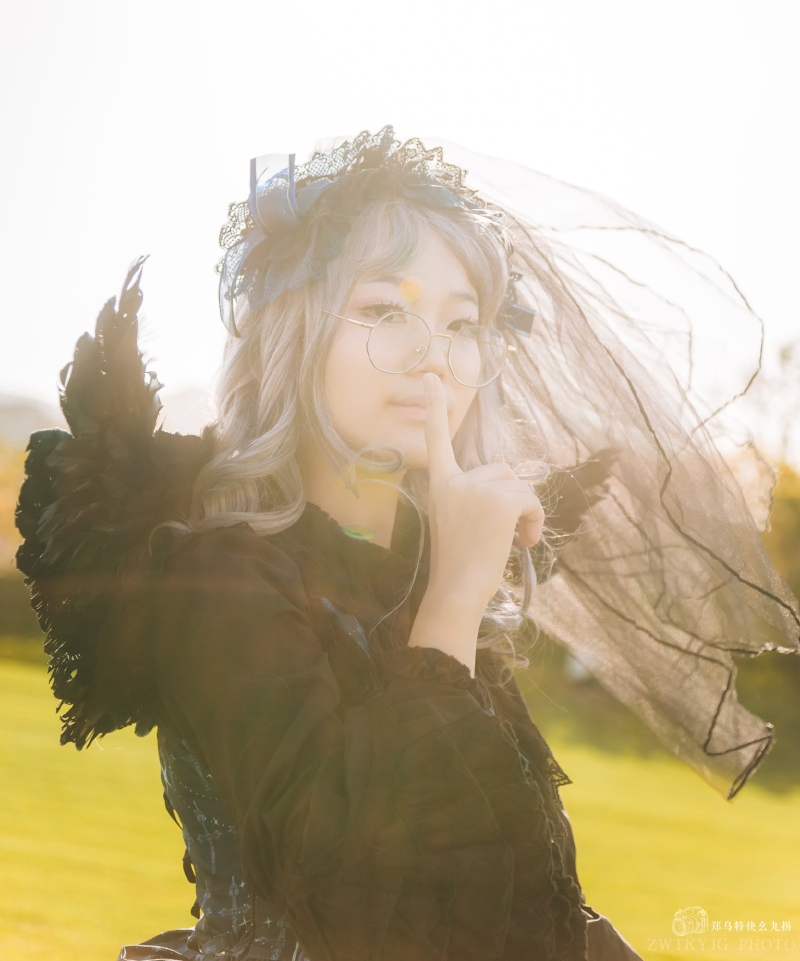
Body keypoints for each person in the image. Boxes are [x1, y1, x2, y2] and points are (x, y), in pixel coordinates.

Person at [16, 126, 800, 961]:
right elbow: (366, 903)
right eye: (386, 310)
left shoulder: (419, 571)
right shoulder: (217, 578)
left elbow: (504, 889)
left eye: (463, 324)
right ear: (296, 331)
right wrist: (456, 597)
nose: (433, 359)